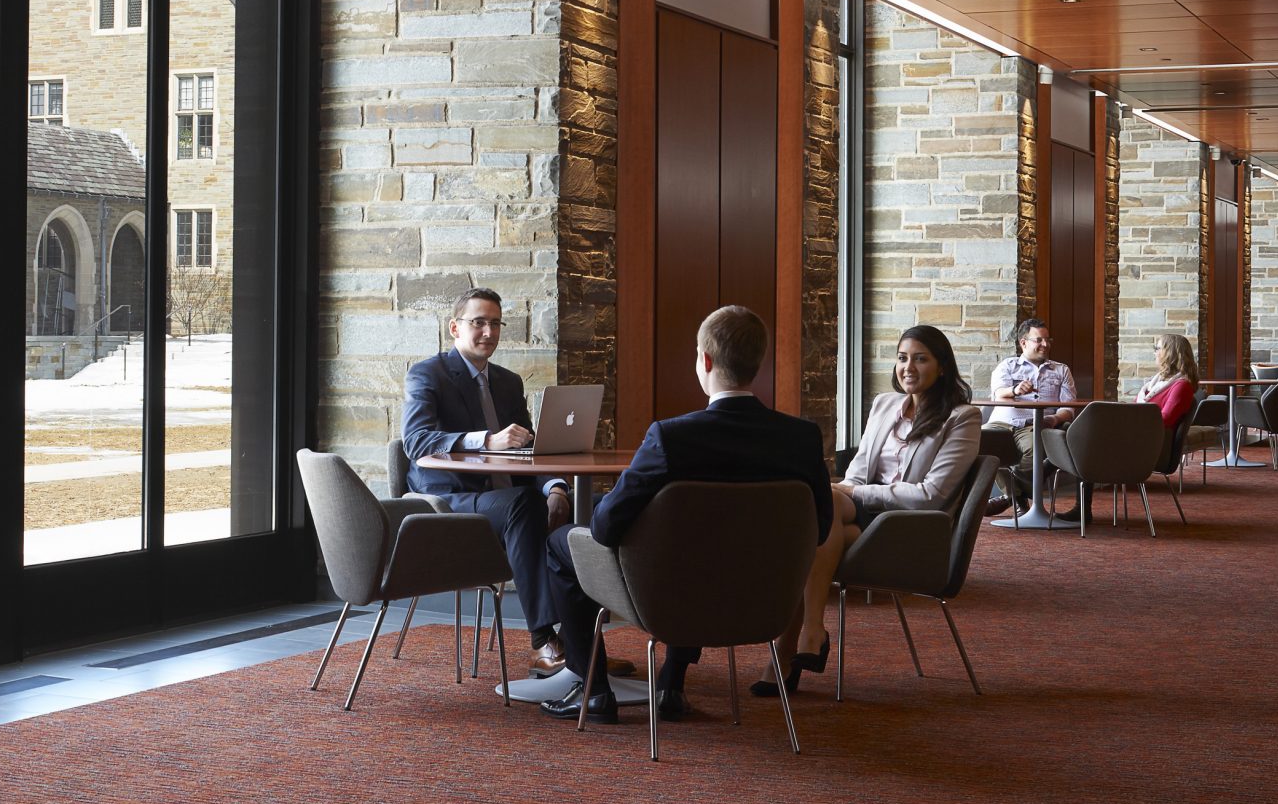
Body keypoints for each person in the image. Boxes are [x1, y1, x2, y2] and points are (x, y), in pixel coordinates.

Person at [537, 306, 832, 724]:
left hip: (668, 600)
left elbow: (604, 529)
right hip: (762, 599)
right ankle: (670, 686)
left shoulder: (671, 438)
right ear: (757, 363)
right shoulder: (801, 439)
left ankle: (593, 690)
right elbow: (819, 530)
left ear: (706, 361)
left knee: (560, 542)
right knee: (705, 548)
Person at [781, 324, 981, 694]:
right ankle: (806, 636)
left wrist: (856, 493)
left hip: (909, 527)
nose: (908, 367)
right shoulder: (884, 404)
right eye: (902, 358)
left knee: (816, 520)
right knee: (820, 531)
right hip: (860, 521)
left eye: (921, 359)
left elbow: (931, 495)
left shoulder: (962, 417)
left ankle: (785, 653)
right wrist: (850, 489)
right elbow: (857, 471)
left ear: (942, 366)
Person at [402, 288, 573, 678]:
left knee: (590, 505)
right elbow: (415, 441)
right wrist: (484, 440)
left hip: (506, 497)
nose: (488, 331)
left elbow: (534, 449)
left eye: (495, 323)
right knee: (522, 506)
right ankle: (543, 640)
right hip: (449, 500)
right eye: (478, 322)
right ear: (454, 328)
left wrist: (557, 488)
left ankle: (582, 642)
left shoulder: (508, 383)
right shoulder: (428, 374)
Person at [982, 318, 1076, 513]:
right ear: (1023, 342)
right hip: (1002, 422)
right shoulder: (1008, 366)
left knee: (1035, 450)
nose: (1046, 344)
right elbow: (999, 393)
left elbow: (1069, 408)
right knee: (979, 443)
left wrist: (1055, 419)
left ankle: (1012, 494)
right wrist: (1015, 390)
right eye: (1039, 340)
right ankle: (1015, 496)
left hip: (1034, 425)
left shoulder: (1061, 370)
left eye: (1048, 340)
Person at [1136, 333, 1200, 430]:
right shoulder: (1154, 382)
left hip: (1152, 440)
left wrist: (1132, 418)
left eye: (1157, 348)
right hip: (1140, 434)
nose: (1154, 353)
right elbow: (1133, 407)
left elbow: (1165, 420)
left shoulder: (1182, 386)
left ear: (1170, 353)